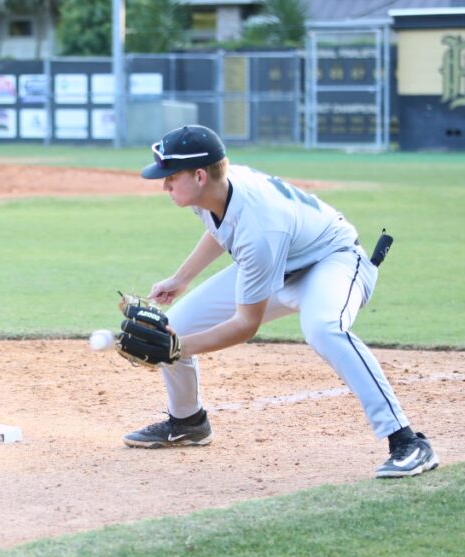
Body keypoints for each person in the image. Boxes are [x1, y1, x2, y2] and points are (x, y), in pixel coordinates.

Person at [124, 124, 438, 479]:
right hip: (282, 262)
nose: (164, 184)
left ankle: (408, 442)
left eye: (170, 176)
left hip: (333, 263)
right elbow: (220, 227)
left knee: (324, 328)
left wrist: (173, 349)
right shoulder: (212, 189)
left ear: (198, 175)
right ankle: (188, 422)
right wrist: (181, 278)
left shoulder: (260, 229)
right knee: (174, 325)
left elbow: (246, 325)